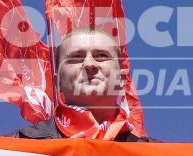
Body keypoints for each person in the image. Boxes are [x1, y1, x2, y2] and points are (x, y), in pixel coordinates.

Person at [14, 28, 152, 142]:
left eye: (102, 55)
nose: (89, 64)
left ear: (121, 78)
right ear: (58, 82)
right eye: (76, 57)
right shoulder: (13, 149)